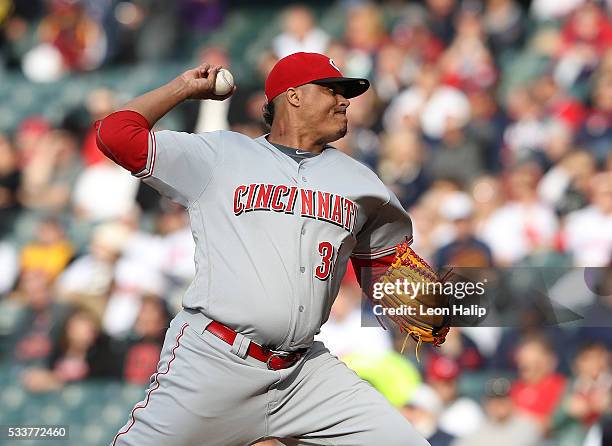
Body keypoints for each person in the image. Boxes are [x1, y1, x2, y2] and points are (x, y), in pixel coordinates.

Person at [96, 52, 428, 445]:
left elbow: (387, 267)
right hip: (215, 360)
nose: (344, 101)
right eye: (332, 90)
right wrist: (183, 88)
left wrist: (429, 307)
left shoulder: (363, 184)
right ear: (293, 96)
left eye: (347, 93)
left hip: (303, 374)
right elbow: (115, 134)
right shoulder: (220, 156)